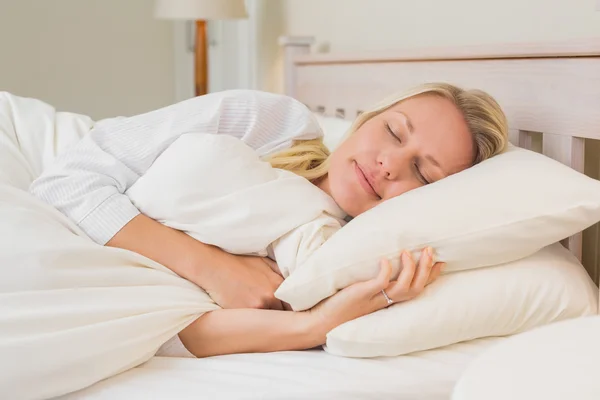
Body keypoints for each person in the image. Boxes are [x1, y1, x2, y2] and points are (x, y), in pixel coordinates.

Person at [30, 82, 508, 358]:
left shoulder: (332, 254)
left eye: (423, 172)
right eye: (392, 131)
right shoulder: (274, 124)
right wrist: (212, 266)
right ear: (367, 118)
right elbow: (64, 184)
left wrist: (318, 323)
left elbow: (179, 333)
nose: (389, 164)